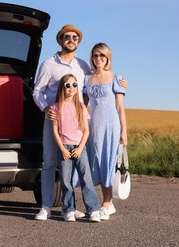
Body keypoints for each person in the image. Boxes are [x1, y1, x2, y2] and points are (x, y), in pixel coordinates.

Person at [32, 25, 127, 221]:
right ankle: (47, 206)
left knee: (82, 167)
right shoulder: (48, 64)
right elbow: (37, 91)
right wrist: (44, 107)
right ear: (60, 40)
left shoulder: (83, 66)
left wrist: (122, 83)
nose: (71, 40)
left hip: (78, 126)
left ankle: (80, 207)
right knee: (50, 162)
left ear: (78, 41)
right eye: (67, 37)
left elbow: (95, 85)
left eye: (75, 37)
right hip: (54, 120)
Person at [84, 43, 128, 220]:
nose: (98, 59)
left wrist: (124, 131)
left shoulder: (116, 78)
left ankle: (106, 203)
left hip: (111, 124)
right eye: (95, 55)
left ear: (108, 57)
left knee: (108, 162)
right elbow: (83, 105)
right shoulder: (87, 79)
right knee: (98, 163)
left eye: (102, 55)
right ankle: (108, 204)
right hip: (93, 125)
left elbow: (120, 107)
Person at [52, 74, 101, 222]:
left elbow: (86, 130)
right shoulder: (56, 107)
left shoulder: (80, 106)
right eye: (68, 85)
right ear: (62, 87)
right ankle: (69, 210)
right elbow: (55, 131)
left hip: (80, 148)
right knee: (66, 180)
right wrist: (62, 149)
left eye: (74, 85)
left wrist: (80, 148)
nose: (72, 88)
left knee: (86, 178)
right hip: (64, 148)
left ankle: (93, 209)